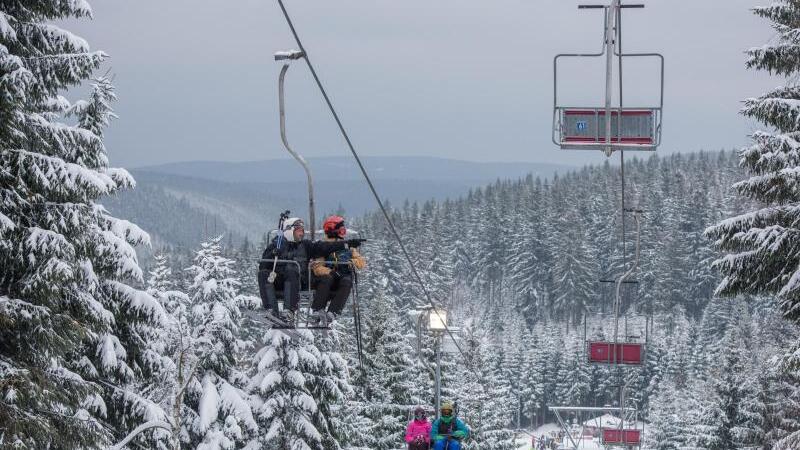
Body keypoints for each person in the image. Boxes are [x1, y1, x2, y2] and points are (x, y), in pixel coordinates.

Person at [258, 217, 362, 324]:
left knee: (292, 269)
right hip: (280, 281)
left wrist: (345, 244)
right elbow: (263, 266)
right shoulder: (276, 246)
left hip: (300, 281)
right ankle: (271, 310)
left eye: (303, 231)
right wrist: (273, 253)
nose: (302, 233)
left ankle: (289, 312)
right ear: (289, 231)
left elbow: (324, 247)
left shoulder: (306, 245)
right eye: (299, 230)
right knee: (264, 274)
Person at [310, 215, 366, 324]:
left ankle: (332, 312)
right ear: (333, 231)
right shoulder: (323, 247)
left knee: (347, 281)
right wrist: (330, 272)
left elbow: (361, 262)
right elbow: (317, 267)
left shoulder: (349, 248)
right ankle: (317, 310)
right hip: (328, 280)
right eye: (341, 230)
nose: (343, 233)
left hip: (342, 279)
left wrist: (351, 262)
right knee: (327, 279)